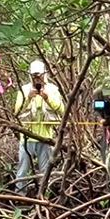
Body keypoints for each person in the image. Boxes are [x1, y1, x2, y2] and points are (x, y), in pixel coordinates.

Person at [14, 59, 65, 194]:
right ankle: (21, 197)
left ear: (45, 74)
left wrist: (48, 98)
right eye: (34, 76)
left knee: (45, 171)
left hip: (45, 138)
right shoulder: (24, 90)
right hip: (26, 137)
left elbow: (62, 110)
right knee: (22, 170)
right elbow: (16, 111)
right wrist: (28, 98)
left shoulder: (53, 89)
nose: (37, 78)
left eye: (39, 75)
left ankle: (43, 198)